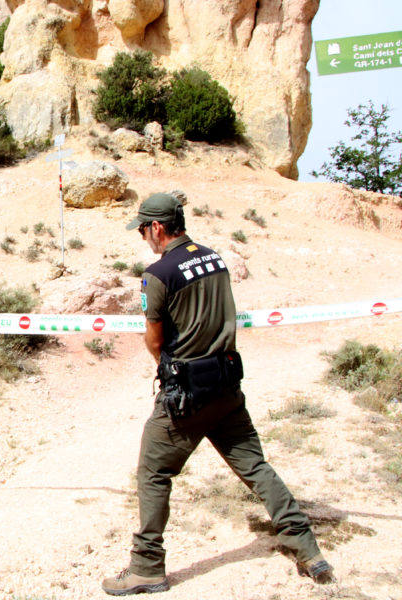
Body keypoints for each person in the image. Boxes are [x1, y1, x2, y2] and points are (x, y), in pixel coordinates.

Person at [102, 193, 334, 595]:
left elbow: (155, 341)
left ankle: (146, 567)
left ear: (157, 227)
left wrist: (173, 370)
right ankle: (308, 549)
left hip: (187, 396)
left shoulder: (158, 274)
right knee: (256, 468)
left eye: (142, 229)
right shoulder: (215, 259)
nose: (142, 237)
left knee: (154, 474)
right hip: (226, 386)